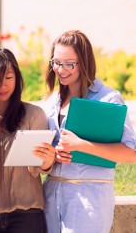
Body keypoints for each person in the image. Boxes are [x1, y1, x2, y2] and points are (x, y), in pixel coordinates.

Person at [42, 30, 136, 233]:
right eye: (56, 62)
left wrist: (80, 145)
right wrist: (52, 154)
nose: (61, 69)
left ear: (84, 63)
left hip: (89, 200)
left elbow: (130, 153)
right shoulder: (51, 101)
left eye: (69, 63)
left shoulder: (108, 99)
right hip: (51, 196)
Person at [0, 48, 55, 233]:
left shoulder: (33, 115)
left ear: (17, 79)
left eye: (9, 77)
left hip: (27, 215)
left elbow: (40, 169)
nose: (2, 85)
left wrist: (47, 162)